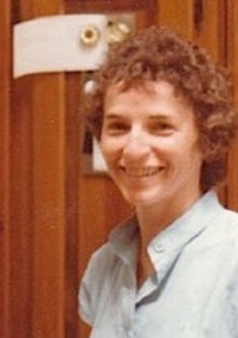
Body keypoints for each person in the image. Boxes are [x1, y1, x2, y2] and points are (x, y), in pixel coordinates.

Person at [79, 26, 238, 336]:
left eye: (161, 127)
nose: (134, 149)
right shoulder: (103, 268)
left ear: (207, 138)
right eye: (118, 127)